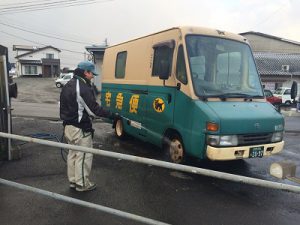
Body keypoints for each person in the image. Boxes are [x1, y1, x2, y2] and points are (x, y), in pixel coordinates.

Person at [60, 61, 112, 192]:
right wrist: (112, 115)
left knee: (73, 154)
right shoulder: (82, 87)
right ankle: (82, 184)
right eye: (91, 74)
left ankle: (73, 181)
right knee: (84, 156)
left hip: (68, 127)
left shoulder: (69, 84)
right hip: (80, 129)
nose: (93, 76)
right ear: (85, 72)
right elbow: (94, 110)